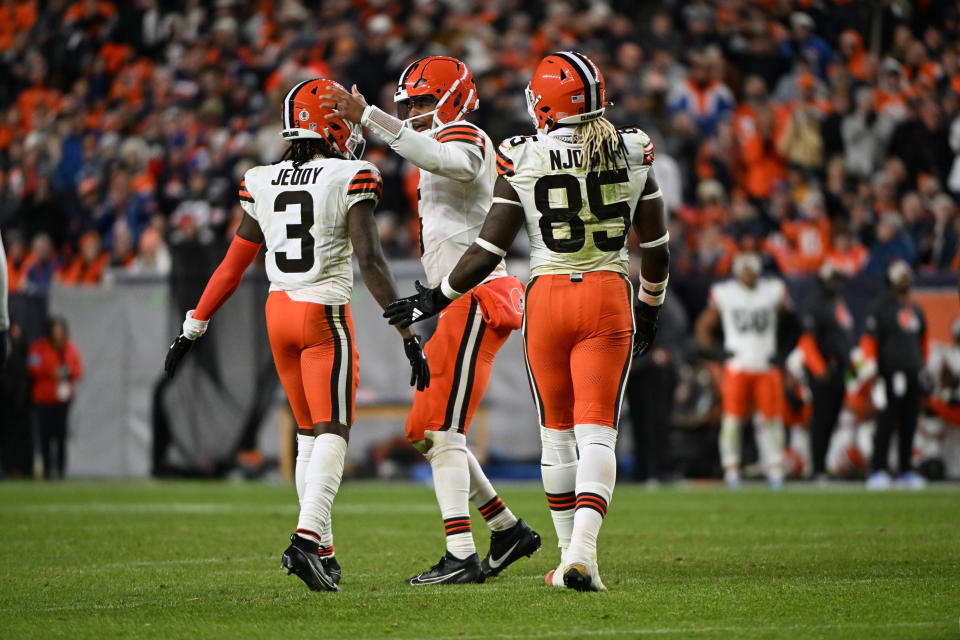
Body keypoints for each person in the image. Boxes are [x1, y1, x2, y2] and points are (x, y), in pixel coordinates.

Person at [384, 51, 669, 592]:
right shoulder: (634, 150)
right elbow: (655, 248)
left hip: (547, 300)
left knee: (556, 439)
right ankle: (580, 554)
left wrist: (435, 297)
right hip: (608, 295)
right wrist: (649, 306)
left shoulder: (524, 153)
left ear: (545, 104)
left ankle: (568, 555)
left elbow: (489, 247)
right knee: (598, 437)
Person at [163, 78, 429, 592]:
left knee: (309, 436)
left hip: (277, 313)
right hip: (322, 314)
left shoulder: (262, 179)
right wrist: (405, 331)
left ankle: (322, 549)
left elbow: (231, 267)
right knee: (333, 431)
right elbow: (371, 262)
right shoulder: (350, 174)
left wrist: (192, 327)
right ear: (326, 123)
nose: (351, 132)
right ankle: (307, 540)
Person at [322, 56, 540, 585]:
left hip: (476, 295)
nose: (416, 112)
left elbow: (449, 160)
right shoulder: (438, 139)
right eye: (412, 103)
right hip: (453, 301)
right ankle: (505, 528)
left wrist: (373, 118)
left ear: (454, 97)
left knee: (440, 428)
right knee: (424, 429)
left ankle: (461, 553)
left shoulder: (470, 136)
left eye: (423, 101)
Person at [695, 253, 790, 489]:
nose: (748, 274)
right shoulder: (726, 293)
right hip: (737, 366)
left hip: (766, 366)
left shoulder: (773, 290)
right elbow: (703, 328)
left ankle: (775, 468)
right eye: (744, 270)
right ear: (737, 272)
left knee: (772, 420)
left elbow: (793, 323)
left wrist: (783, 352)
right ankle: (731, 468)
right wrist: (718, 353)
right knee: (732, 421)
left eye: (752, 269)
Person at [861, 260, 928, 490]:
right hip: (889, 373)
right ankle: (878, 469)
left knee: (909, 422)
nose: (905, 281)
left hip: (911, 373)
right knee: (886, 422)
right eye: (901, 277)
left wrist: (922, 365)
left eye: (907, 277)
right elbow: (869, 341)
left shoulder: (915, 309)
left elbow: (923, 340)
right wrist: (872, 371)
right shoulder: (880, 307)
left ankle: (905, 470)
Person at [796, 262, 854, 482]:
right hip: (823, 370)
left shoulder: (836, 302)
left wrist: (850, 370)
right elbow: (807, 341)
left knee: (832, 418)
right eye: (831, 279)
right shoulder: (814, 303)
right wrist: (820, 370)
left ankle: (822, 465)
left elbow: (843, 339)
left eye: (838, 279)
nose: (836, 283)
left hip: (839, 370)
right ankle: (817, 468)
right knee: (820, 419)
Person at [27, 316, 83, 479]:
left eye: (60, 330)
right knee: (44, 436)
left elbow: (78, 370)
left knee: (61, 436)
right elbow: (33, 366)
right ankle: (46, 471)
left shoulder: (70, 348)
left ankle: (60, 470)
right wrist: (51, 372)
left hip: (63, 400)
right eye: (55, 330)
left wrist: (67, 373)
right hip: (44, 399)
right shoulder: (40, 347)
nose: (58, 333)